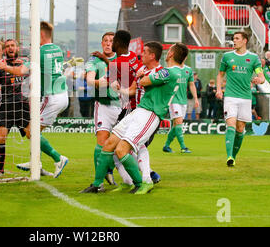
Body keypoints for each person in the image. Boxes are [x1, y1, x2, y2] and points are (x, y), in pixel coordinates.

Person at [80, 43, 190, 194]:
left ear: (170, 54)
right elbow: (137, 85)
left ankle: (142, 182)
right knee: (109, 144)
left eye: (144, 52)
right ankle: (97, 184)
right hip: (139, 111)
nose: (141, 54)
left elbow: (144, 81)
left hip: (150, 114)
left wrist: (142, 76)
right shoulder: (171, 71)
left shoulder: (169, 72)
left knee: (123, 150)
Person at [0, 21, 69, 178]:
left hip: (51, 97)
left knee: (31, 131)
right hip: (63, 95)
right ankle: (36, 162)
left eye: (32, 33)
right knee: (32, 132)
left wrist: (4, 67)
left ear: (40, 34)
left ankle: (58, 158)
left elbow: (20, 71)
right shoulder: (57, 49)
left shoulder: (38, 52)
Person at [216, 32, 265, 167]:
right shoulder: (227, 56)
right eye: (233, 39)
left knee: (240, 128)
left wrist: (259, 79)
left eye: (237, 38)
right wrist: (219, 89)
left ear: (244, 41)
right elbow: (220, 75)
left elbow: (261, 76)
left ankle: (234, 156)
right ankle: (229, 156)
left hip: (245, 98)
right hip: (230, 96)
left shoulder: (254, 58)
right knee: (230, 124)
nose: (234, 41)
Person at [85, 32, 120, 185]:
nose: (107, 43)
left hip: (121, 106)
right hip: (103, 106)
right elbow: (90, 80)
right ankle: (98, 181)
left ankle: (109, 170)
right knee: (101, 142)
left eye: (111, 41)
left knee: (120, 145)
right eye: (105, 41)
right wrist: (99, 82)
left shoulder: (121, 59)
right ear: (101, 44)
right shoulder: (94, 59)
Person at [162, 60, 198, 154]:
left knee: (176, 125)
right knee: (178, 122)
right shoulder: (171, 69)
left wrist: (196, 98)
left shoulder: (188, 70)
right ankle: (183, 147)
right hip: (173, 100)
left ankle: (166, 146)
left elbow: (191, 84)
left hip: (183, 101)